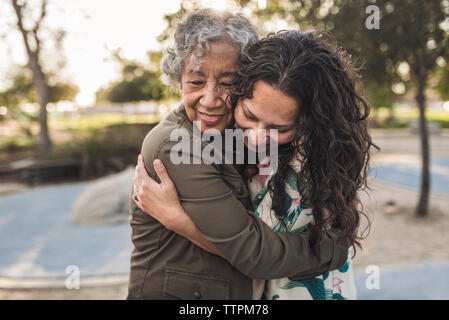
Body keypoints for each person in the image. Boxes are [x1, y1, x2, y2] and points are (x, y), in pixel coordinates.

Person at [127, 9, 350, 300]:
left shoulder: (239, 133)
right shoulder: (173, 145)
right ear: (178, 80)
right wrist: (333, 249)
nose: (210, 99)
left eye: (228, 82)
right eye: (196, 82)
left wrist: (179, 220)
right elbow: (253, 252)